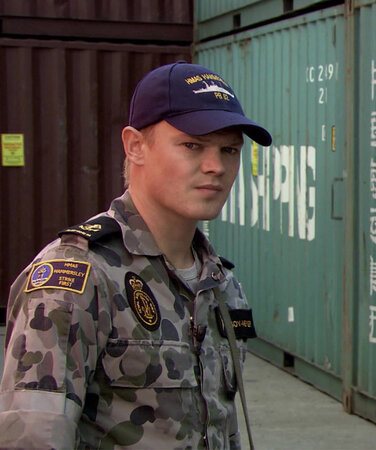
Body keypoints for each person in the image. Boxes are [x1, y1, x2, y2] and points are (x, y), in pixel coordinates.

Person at [0, 61, 271, 448]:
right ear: (135, 146)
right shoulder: (78, 276)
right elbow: (32, 437)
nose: (216, 167)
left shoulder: (219, 284)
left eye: (229, 150)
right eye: (192, 146)